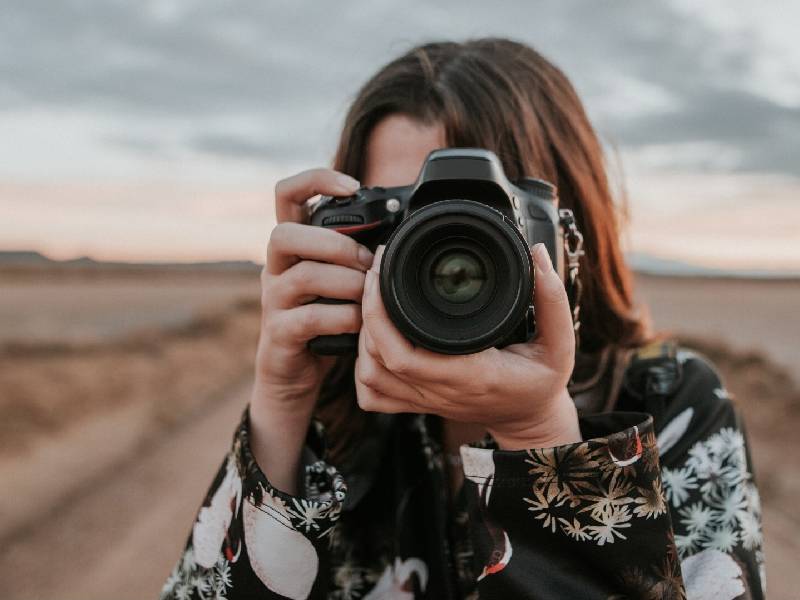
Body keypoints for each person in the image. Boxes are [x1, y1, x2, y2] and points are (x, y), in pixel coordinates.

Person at [161, 38, 765, 600]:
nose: (442, 263)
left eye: (488, 222)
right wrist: (283, 400)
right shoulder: (328, 424)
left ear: (570, 237)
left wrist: (539, 437)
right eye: (406, 223)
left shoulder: (673, 404)